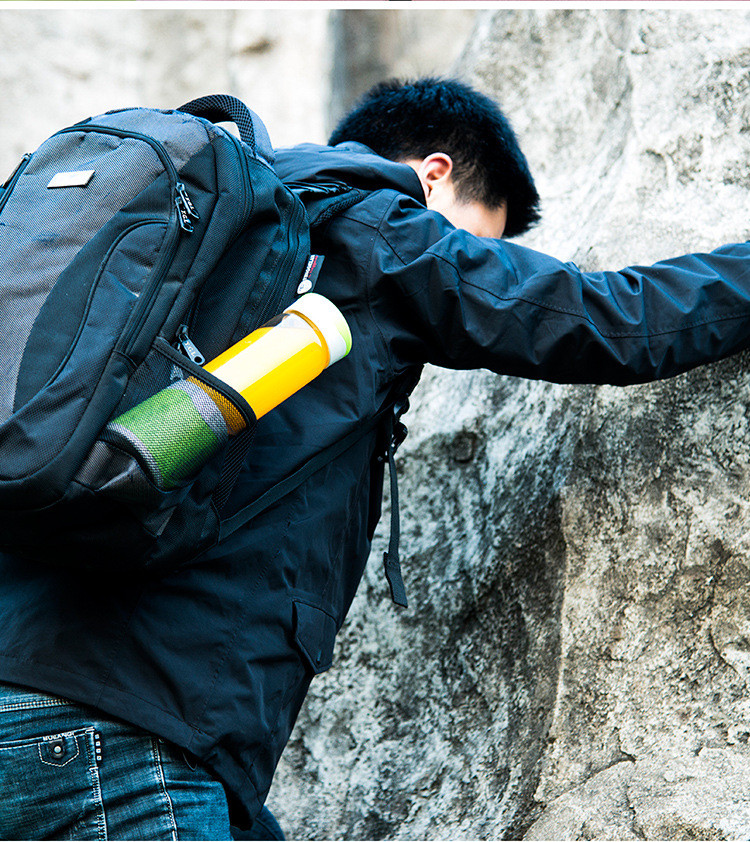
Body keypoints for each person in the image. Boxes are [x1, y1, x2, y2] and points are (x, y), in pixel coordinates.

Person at [2, 75, 750, 840]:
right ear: (434, 175)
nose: (468, 257)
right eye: (477, 240)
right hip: (131, 731)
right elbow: (606, 319)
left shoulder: (219, 234)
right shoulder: (377, 227)